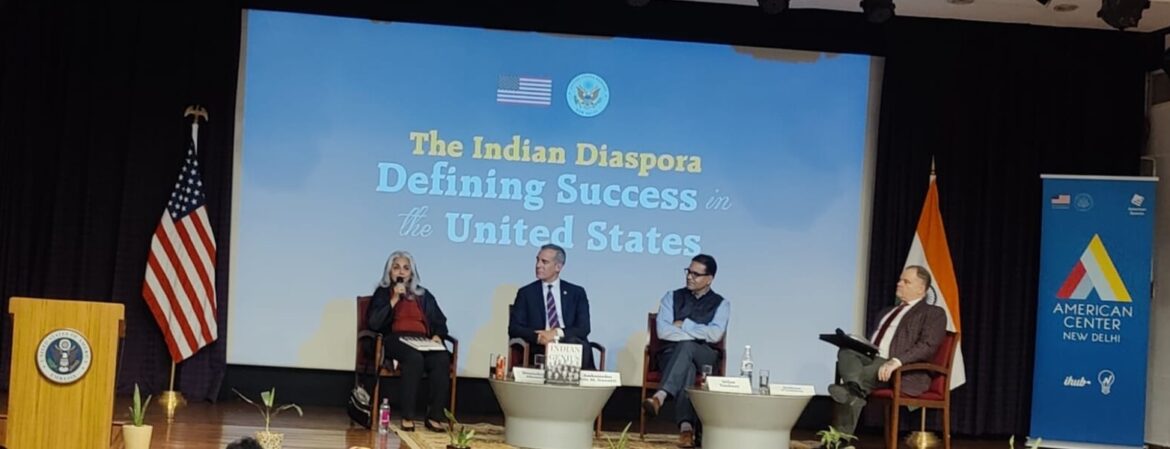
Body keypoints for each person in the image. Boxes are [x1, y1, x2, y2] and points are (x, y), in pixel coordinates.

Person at [826, 265, 947, 441]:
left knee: (847, 391)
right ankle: (854, 389)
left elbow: (927, 345)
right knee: (846, 349)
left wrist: (897, 361)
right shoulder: (886, 311)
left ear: (922, 288)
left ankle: (838, 441)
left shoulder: (933, 313)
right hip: (873, 359)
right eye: (900, 279)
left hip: (902, 370)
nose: (899, 284)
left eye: (906, 281)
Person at [642, 254, 728, 449]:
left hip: (705, 356)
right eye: (688, 271)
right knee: (686, 365)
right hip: (670, 355)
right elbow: (663, 332)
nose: (689, 277)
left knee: (688, 347)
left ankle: (661, 395)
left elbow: (714, 335)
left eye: (696, 274)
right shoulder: (671, 297)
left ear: (710, 279)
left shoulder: (721, 304)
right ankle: (686, 430)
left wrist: (684, 325)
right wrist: (698, 333)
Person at [366, 250, 451, 432]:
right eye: (396, 268)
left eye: (406, 268)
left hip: (423, 340)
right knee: (414, 358)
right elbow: (374, 322)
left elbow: (439, 320)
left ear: (412, 273)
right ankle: (407, 416)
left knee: (442, 358)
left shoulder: (424, 295)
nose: (401, 272)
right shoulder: (383, 293)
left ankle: (435, 416)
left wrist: (438, 336)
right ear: (390, 273)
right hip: (395, 339)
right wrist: (395, 298)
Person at [508, 243, 595, 370]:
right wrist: (539, 337)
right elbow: (514, 328)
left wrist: (555, 333)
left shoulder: (576, 293)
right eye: (537, 260)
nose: (538, 265)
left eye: (544, 262)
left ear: (558, 266)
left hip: (570, 345)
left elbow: (584, 328)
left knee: (575, 344)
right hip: (539, 347)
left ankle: (583, 386)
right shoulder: (526, 293)